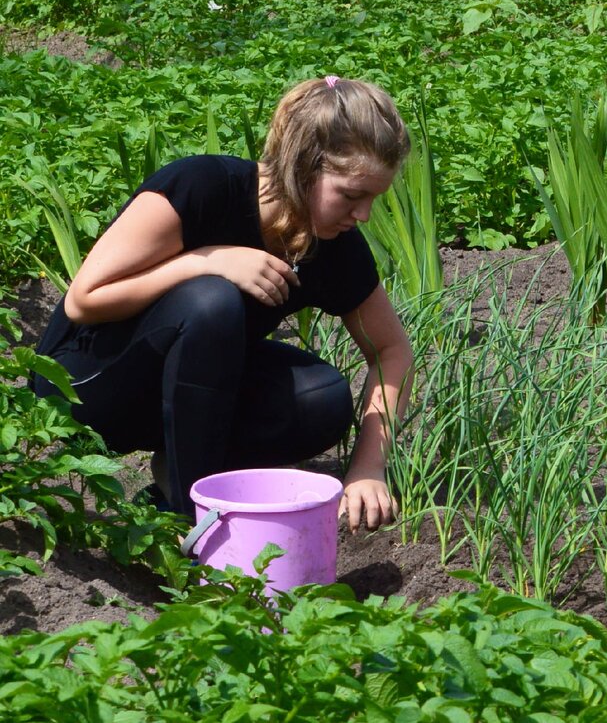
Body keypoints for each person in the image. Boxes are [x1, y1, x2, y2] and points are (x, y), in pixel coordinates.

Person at [30, 75, 414, 533]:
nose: (364, 214)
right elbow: (84, 301)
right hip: (86, 386)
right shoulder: (203, 187)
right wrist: (207, 261)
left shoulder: (333, 244)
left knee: (321, 399)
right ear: (302, 167)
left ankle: (177, 482)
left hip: (190, 396)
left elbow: (391, 352)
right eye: (351, 195)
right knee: (212, 301)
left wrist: (368, 468)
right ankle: (196, 527)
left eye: (374, 198)